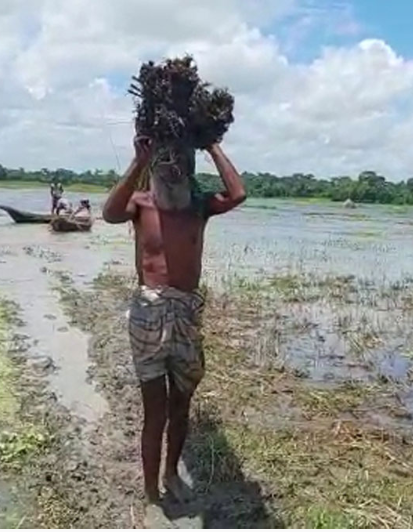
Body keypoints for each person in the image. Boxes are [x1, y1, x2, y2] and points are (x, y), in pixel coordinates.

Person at [101, 137, 246, 510]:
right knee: (156, 410)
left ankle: (171, 474)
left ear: (191, 166)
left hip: (186, 315)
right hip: (149, 315)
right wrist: (138, 160)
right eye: (163, 160)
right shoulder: (140, 203)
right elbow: (108, 213)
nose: (172, 166)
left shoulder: (199, 206)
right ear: (154, 167)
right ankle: (151, 488)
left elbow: (238, 193)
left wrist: (212, 146)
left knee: (181, 405)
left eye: (180, 159)